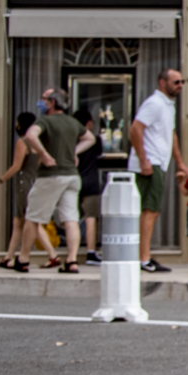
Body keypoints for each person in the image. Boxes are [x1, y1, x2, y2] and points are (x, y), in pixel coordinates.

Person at [127, 67, 182, 275]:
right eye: (176, 82)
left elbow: (171, 135)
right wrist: (143, 160)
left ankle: (143, 255)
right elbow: (135, 129)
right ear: (162, 83)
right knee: (148, 210)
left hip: (159, 162)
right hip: (150, 163)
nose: (180, 86)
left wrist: (180, 163)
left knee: (152, 210)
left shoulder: (168, 106)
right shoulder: (154, 103)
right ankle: (143, 258)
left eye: (182, 82)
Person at [0, 110, 51, 272]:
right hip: (36, 183)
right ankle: (8, 257)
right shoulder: (39, 143)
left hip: (24, 185)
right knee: (18, 222)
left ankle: (53, 255)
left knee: (31, 221)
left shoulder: (23, 142)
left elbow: (16, 166)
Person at [26, 93, 82, 274]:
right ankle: (72, 260)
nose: (41, 102)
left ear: (52, 103)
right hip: (72, 176)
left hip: (51, 175)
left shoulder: (46, 121)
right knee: (71, 219)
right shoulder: (73, 122)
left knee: (33, 217)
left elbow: (30, 135)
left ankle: (23, 258)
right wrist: (74, 152)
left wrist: (44, 154)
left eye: (44, 99)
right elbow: (90, 137)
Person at [74, 105, 105, 263]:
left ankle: (72, 250)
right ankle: (91, 252)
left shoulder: (71, 140)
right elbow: (100, 153)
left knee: (71, 217)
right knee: (91, 217)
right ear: (87, 123)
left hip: (74, 180)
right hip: (91, 182)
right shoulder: (95, 140)